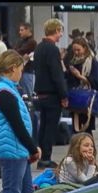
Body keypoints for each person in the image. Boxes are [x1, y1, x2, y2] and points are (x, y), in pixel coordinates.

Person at [0, 49, 41, 193]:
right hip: (12, 149)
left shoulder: (7, 90)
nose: (21, 73)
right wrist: (33, 148)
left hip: (17, 149)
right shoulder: (4, 92)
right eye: (20, 69)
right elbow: (17, 125)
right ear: (12, 68)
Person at [33, 18, 68, 169]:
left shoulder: (39, 47)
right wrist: (64, 95)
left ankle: (41, 154)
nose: (61, 35)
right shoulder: (52, 49)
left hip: (41, 93)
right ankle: (46, 158)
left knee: (43, 126)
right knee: (50, 128)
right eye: (60, 31)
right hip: (52, 94)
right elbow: (56, 74)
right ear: (56, 31)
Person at [65, 37, 98, 135]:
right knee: (75, 128)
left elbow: (96, 81)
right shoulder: (73, 62)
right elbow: (68, 79)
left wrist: (80, 76)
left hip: (87, 99)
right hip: (75, 98)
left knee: (87, 128)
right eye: (74, 50)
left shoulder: (92, 61)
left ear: (85, 48)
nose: (76, 52)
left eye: (78, 50)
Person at [14, 22, 37, 97]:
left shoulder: (32, 42)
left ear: (28, 30)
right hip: (20, 69)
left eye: (22, 30)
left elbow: (19, 51)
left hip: (27, 70)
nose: (19, 32)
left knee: (27, 94)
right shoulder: (20, 41)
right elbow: (15, 52)